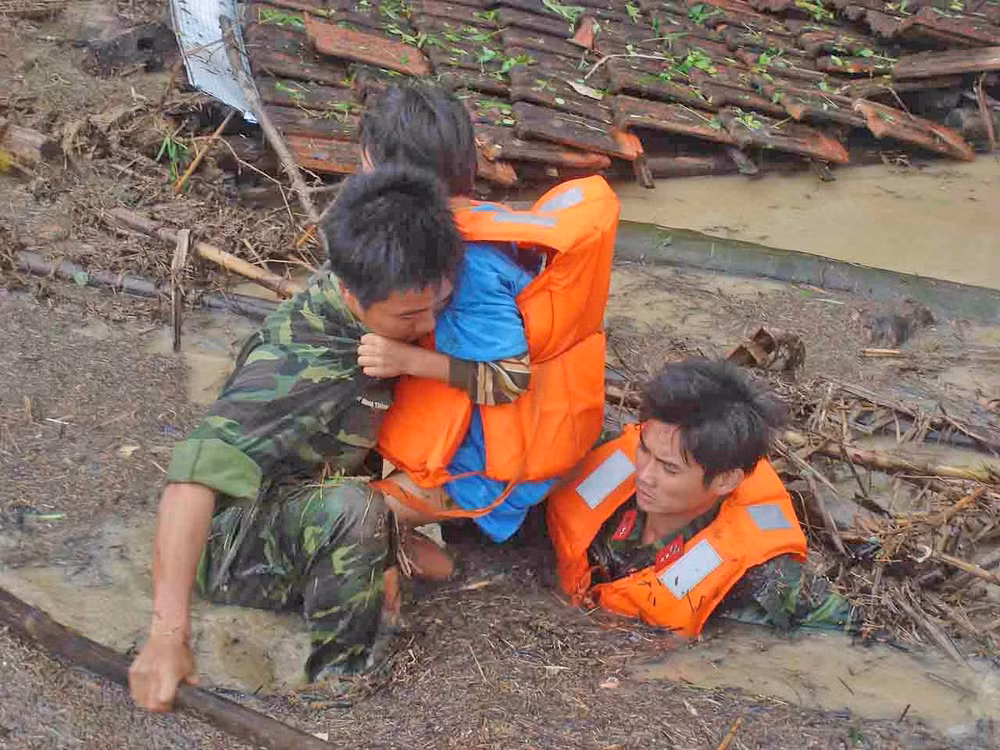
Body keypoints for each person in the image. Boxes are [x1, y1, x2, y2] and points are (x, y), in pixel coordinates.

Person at [129, 166, 464, 712]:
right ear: (352, 293)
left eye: (439, 304)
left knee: (439, 559)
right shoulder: (296, 362)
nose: (428, 323)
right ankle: (339, 682)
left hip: (308, 499)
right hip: (237, 547)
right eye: (409, 315)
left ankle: (368, 551)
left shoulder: (400, 278)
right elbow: (190, 481)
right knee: (357, 511)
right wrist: (168, 637)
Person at [355, 83, 616, 542]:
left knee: (347, 517)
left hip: (493, 477)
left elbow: (510, 379)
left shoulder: (465, 268)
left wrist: (405, 361)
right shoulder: (481, 218)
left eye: (366, 169)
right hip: (550, 433)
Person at [547, 359, 854, 634]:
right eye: (644, 450)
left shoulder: (764, 576)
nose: (644, 474)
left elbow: (853, 634)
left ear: (724, 480)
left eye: (669, 469)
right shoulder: (610, 454)